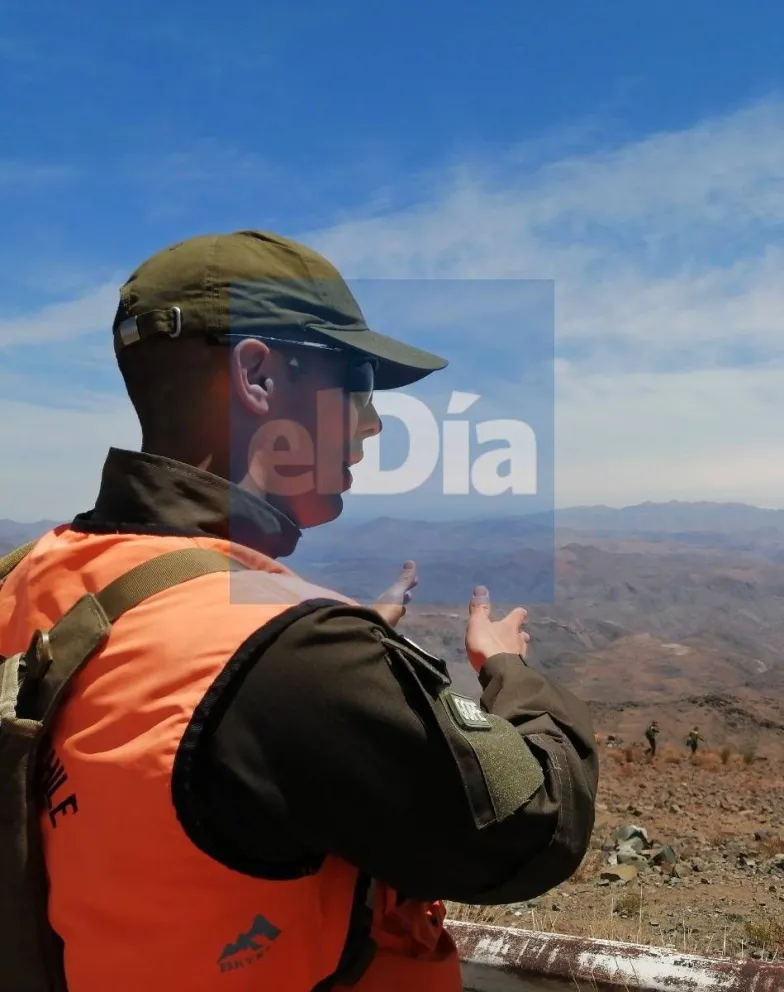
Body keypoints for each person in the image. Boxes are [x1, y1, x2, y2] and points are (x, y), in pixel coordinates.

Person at [0, 230, 599, 992]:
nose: (373, 424)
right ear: (256, 376)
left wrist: (340, 663)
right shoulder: (286, 654)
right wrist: (510, 672)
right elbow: (535, 827)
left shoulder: (33, 576)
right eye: (354, 382)